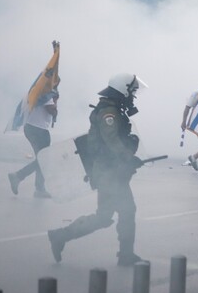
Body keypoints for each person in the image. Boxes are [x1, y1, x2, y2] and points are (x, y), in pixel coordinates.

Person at [47, 73, 147, 266]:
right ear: (122, 89)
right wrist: (129, 157)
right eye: (131, 91)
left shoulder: (113, 109)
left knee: (106, 216)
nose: (133, 95)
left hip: (110, 171)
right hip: (108, 172)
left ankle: (60, 236)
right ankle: (125, 255)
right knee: (125, 210)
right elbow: (111, 140)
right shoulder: (109, 112)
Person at [7, 88, 58, 198]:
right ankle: (19, 176)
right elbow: (52, 110)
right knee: (44, 160)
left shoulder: (38, 89)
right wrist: (55, 100)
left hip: (30, 127)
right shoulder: (47, 93)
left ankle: (39, 188)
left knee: (41, 159)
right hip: (39, 129)